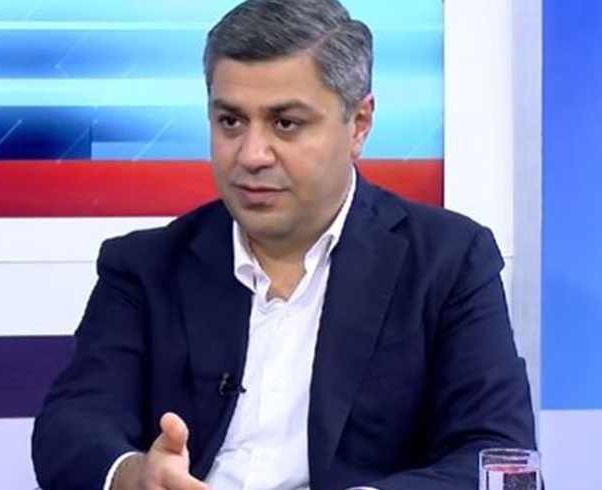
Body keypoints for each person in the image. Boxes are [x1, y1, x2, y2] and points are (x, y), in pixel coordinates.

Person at [31, 0, 537, 489]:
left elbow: (499, 456)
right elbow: (73, 422)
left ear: (359, 124)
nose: (251, 154)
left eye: (285, 124)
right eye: (230, 121)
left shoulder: (448, 260)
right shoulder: (146, 265)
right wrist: (132, 476)